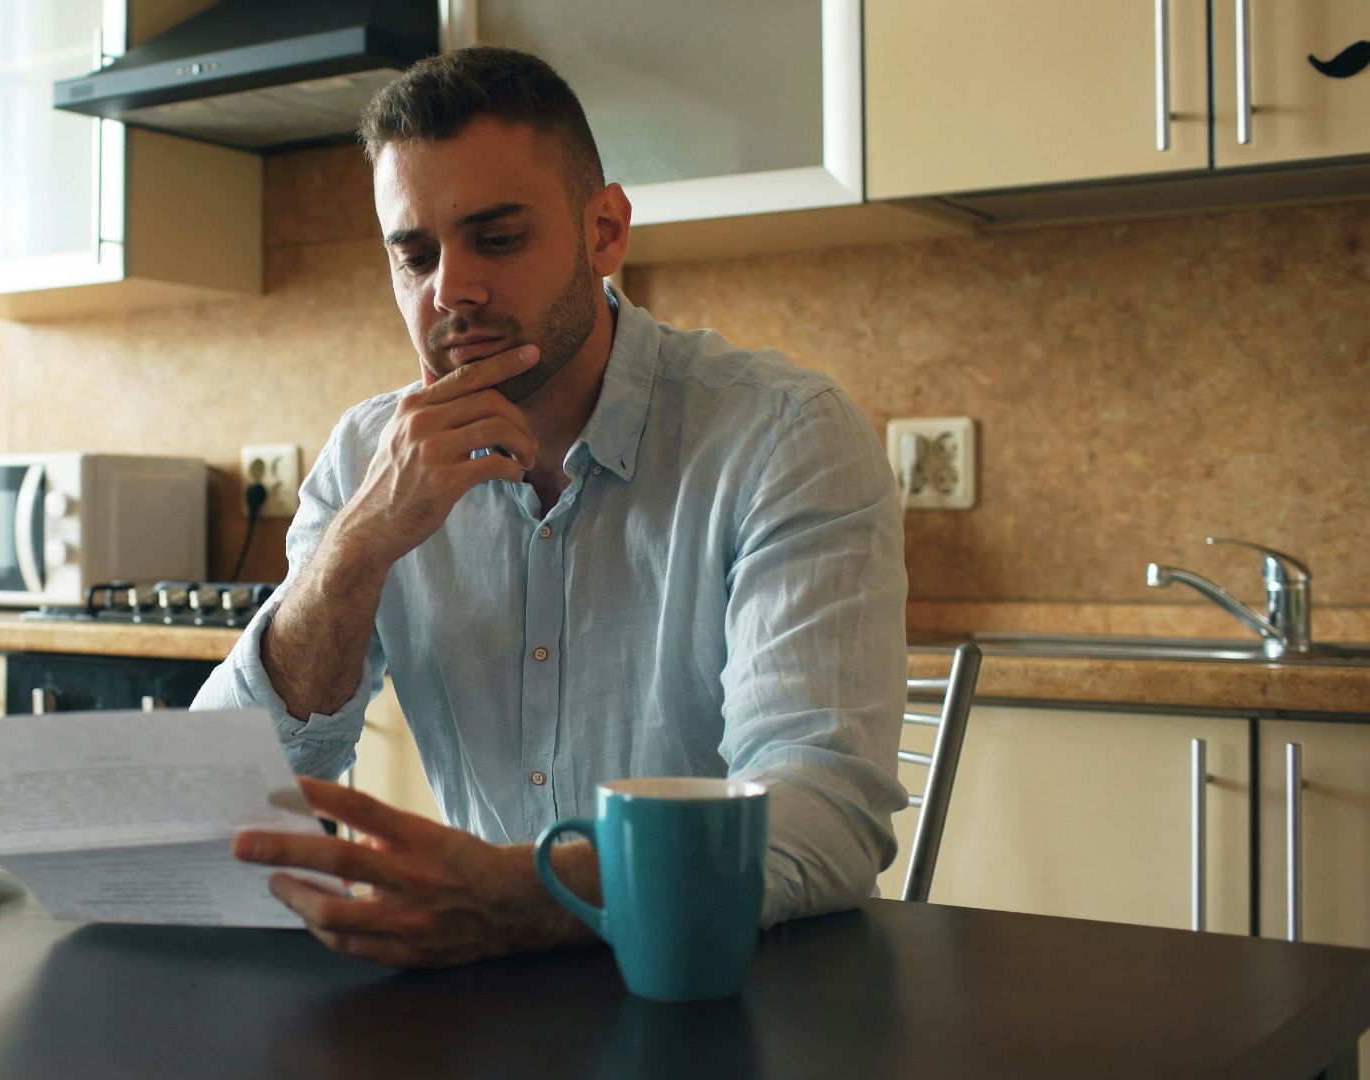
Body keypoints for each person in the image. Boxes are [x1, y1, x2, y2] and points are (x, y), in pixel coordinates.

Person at [191, 45, 906, 967]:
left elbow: (820, 814)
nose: (452, 289)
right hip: (484, 998)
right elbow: (220, 798)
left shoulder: (783, 438)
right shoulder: (370, 458)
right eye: (415, 256)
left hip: (732, 991)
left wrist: (517, 896)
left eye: (497, 238)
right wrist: (356, 548)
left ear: (605, 230)